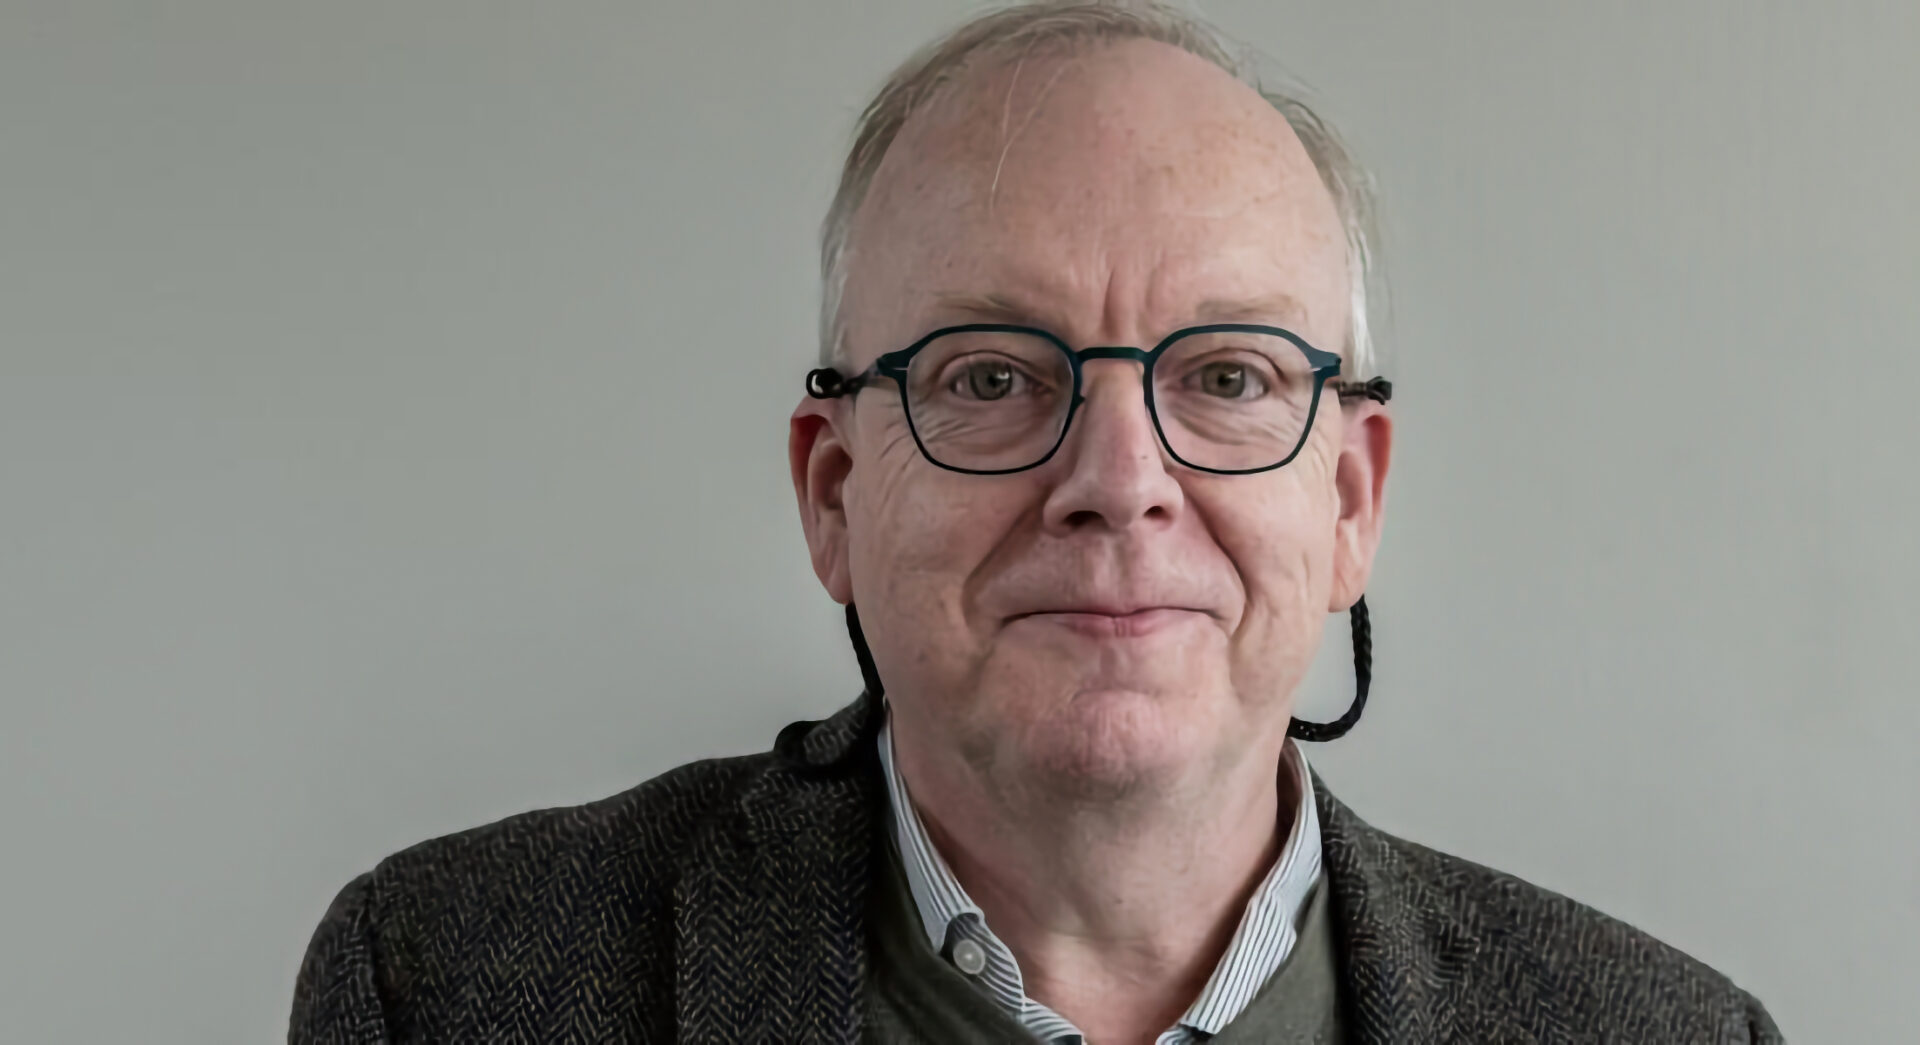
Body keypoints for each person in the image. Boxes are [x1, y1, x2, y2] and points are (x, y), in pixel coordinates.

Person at [290, 3, 1782, 1041]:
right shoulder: (441, 987)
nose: (1118, 477)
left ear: (1348, 498)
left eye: (1229, 377)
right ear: (833, 492)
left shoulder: (1675, 1037)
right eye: (993, 376)